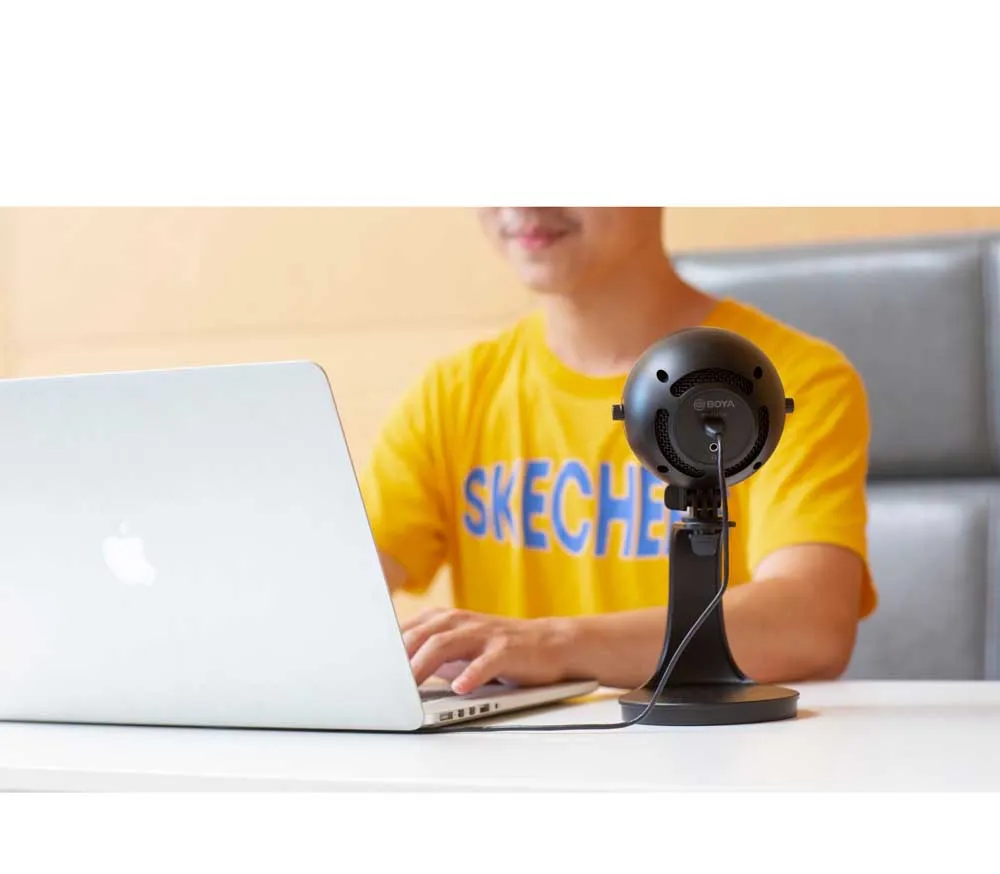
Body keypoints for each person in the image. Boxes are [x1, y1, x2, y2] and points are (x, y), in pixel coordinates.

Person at [359, 207, 877, 696]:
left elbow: (810, 625)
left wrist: (552, 645)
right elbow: (338, 591)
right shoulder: (454, 394)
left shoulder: (775, 387)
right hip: (515, 751)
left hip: (713, 749)